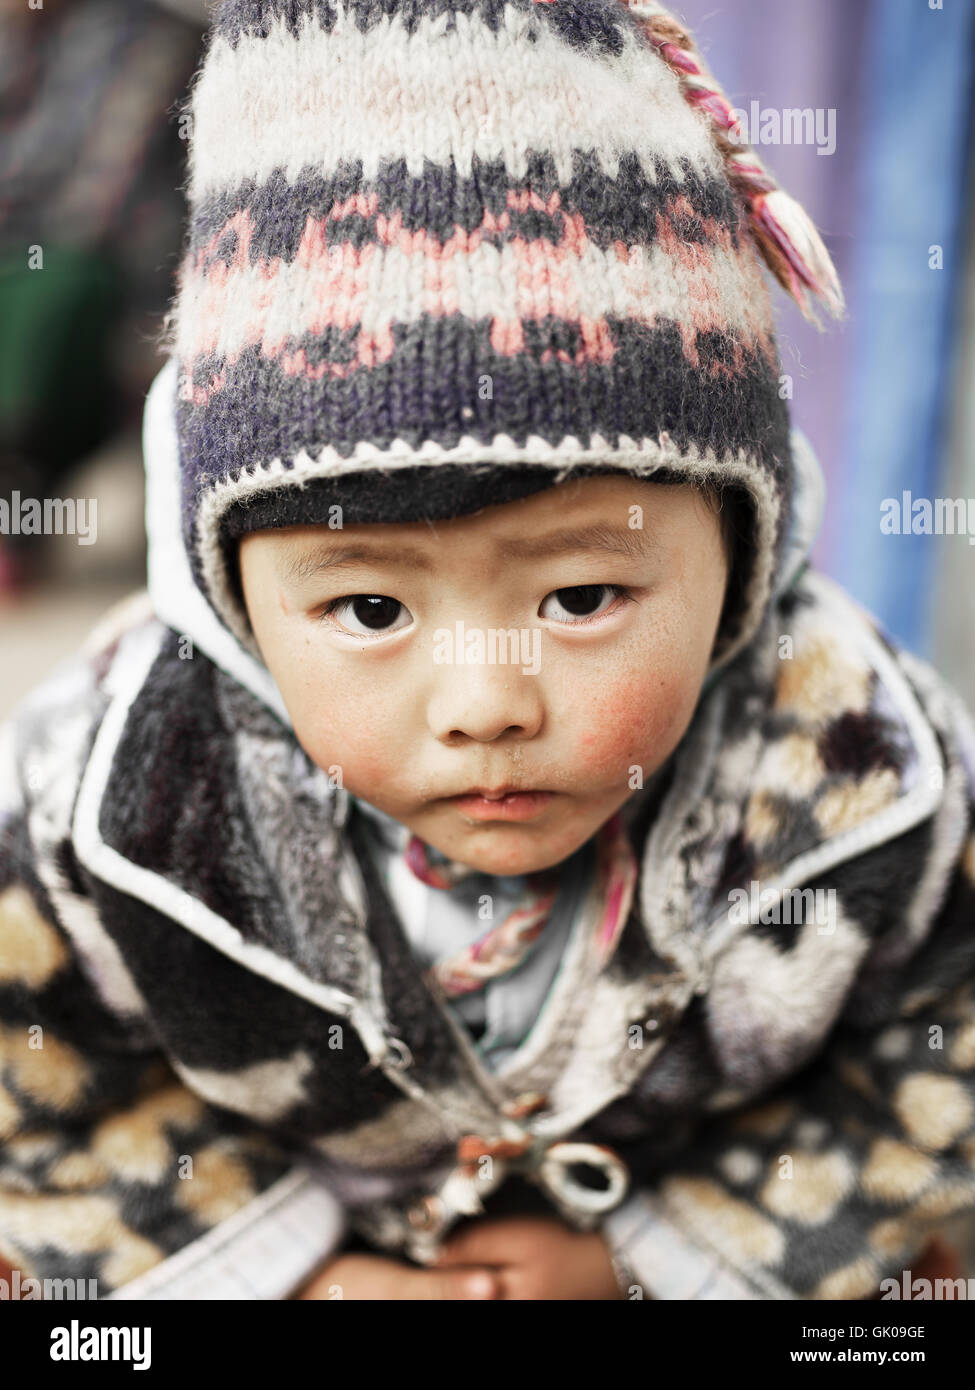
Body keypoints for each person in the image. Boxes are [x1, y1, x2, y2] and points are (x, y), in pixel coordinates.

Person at [1, 0, 973, 1302]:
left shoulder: (869, 770)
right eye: (370, 610)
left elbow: (934, 1066)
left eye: (580, 593)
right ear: (232, 594)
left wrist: (655, 1253)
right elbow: (37, 1089)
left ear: (743, 550)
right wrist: (295, 1274)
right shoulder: (105, 801)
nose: (485, 702)